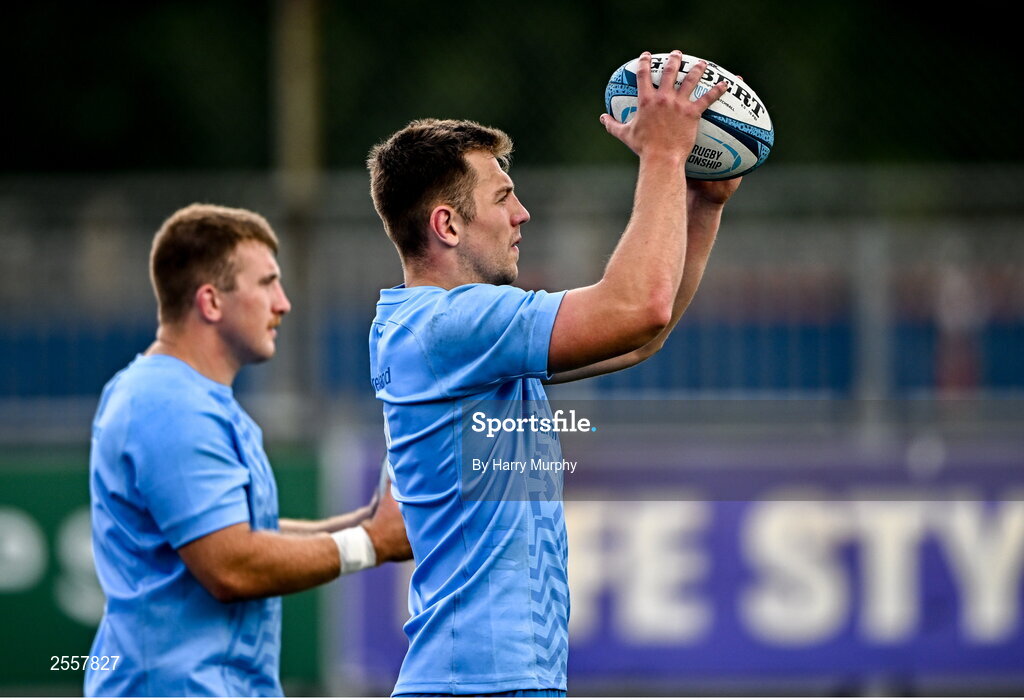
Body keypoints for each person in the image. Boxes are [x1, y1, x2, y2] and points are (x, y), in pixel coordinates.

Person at [365, 51, 742, 696]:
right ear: (447, 224)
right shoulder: (449, 326)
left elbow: (634, 337)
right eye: (503, 197)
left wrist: (699, 205)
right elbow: (634, 307)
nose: (522, 214)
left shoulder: (454, 331)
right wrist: (662, 157)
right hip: (475, 685)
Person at [85, 203, 411, 697]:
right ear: (211, 302)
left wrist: (363, 523)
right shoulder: (166, 404)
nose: (283, 303)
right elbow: (230, 564)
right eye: (266, 284)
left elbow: (238, 532)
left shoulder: (187, 397)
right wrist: (371, 544)